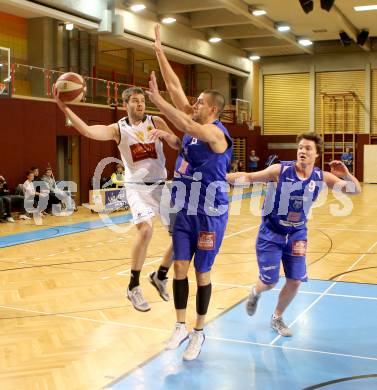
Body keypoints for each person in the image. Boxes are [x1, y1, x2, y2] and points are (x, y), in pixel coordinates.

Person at [54, 85, 181, 312]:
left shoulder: (156, 121)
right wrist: (64, 107)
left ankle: (160, 275)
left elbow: (177, 144)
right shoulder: (118, 129)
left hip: (160, 186)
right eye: (134, 100)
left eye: (142, 100)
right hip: (136, 187)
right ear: (126, 104)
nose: (140, 104)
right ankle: (133, 286)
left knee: (182, 235)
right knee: (146, 230)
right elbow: (88, 131)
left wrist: (166, 135)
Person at [147, 24, 233, 360]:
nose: (192, 104)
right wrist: (158, 49)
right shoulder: (194, 123)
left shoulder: (215, 134)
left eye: (199, 103)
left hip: (210, 213)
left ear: (212, 110)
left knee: (201, 272)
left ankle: (199, 331)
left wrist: (157, 103)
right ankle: (180, 326)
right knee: (180, 267)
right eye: (194, 101)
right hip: (185, 207)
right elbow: (174, 86)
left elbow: (186, 125)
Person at [227, 132, 361, 337]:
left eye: (308, 148)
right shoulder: (280, 170)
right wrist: (219, 177)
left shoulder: (321, 176)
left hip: (297, 232)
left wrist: (346, 173)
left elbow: (354, 190)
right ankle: (255, 292)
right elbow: (250, 177)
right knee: (269, 282)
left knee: (295, 280)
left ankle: (277, 317)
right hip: (271, 232)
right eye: (300, 147)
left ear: (317, 154)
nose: (302, 151)